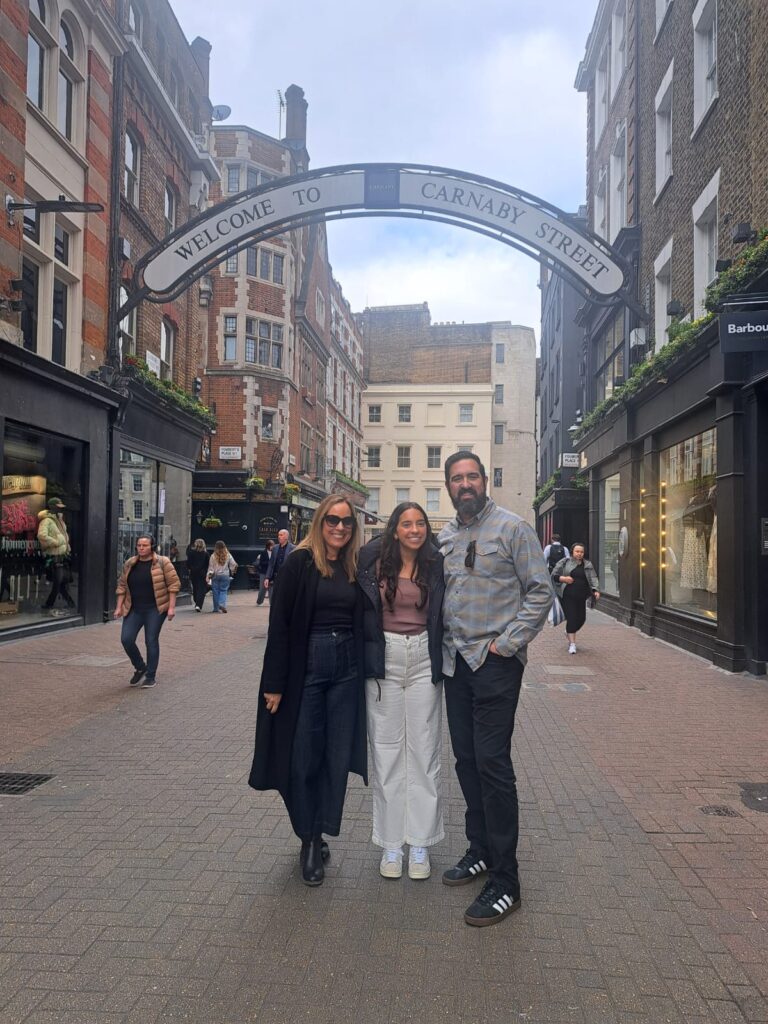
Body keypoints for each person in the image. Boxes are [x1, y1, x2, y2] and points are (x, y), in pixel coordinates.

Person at [439, 451, 553, 927]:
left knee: (492, 763)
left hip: (494, 663)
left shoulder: (512, 528)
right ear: (448, 486)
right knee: (466, 761)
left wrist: (508, 645)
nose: (465, 484)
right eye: (456, 478)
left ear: (485, 481)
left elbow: (541, 591)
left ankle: (507, 880)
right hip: (455, 664)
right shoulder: (445, 536)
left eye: (472, 476)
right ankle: (480, 849)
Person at [248, 494, 367, 887]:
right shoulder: (299, 562)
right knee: (303, 756)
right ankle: (308, 838)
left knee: (334, 757)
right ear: (319, 522)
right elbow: (279, 625)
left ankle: (318, 831)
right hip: (307, 667)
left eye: (346, 522)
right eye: (332, 520)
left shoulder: (353, 565)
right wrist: (274, 683)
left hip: (346, 667)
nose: (339, 527)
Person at [357, 502, 445, 881]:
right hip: (385, 657)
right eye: (406, 524)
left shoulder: (437, 563)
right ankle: (392, 843)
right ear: (394, 529)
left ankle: (421, 843)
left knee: (424, 752)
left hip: (425, 656)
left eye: (420, 523)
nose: (414, 529)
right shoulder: (373, 561)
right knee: (386, 752)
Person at [115, 534, 180, 689]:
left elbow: (173, 585)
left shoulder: (163, 562)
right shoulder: (130, 563)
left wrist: (171, 607)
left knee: (150, 640)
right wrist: (119, 607)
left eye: (145, 545)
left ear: (152, 546)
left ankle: (150, 675)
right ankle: (140, 666)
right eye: (139, 545)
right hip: (134, 608)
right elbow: (122, 586)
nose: (141, 548)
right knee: (126, 639)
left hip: (155, 609)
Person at [551, 543, 600, 654]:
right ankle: (572, 644)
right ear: (572, 552)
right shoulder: (565, 562)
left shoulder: (587, 564)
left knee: (581, 619)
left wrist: (595, 590)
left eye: (581, 552)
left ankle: (569, 631)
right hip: (568, 596)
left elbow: (593, 578)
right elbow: (553, 575)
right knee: (572, 619)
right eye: (577, 551)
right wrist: (563, 578)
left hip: (581, 596)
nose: (579, 554)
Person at [37, 497, 75, 610]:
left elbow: (64, 535)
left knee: (61, 582)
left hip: (62, 556)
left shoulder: (60, 520)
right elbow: (41, 536)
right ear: (52, 507)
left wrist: (67, 547)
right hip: (54, 556)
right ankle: (50, 604)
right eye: (58, 507)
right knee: (58, 581)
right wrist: (56, 542)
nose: (61, 509)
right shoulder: (46, 521)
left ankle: (70, 603)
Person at [206, 540, 237, 613]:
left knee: (215, 592)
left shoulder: (213, 556)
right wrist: (232, 571)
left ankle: (216, 608)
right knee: (223, 590)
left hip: (215, 576)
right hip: (225, 575)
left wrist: (208, 576)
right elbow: (233, 564)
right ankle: (222, 604)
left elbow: (211, 568)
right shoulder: (228, 555)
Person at [264, 528, 295, 597]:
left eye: (281, 535)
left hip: (287, 578)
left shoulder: (293, 548)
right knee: (274, 598)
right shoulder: (275, 548)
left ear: (286, 537)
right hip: (275, 578)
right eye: (278, 535)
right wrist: (267, 577)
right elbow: (271, 564)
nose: (279, 537)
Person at [186, 538, 209, 612]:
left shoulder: (191, 553)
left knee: (195, 588)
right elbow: (208, 564)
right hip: (202, 574)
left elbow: (188, 563)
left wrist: (191, 568)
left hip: (193, 573)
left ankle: (196, 601)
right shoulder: (206, 554)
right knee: (201, 589)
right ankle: (198, 604)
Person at [256, 539, 274, 605]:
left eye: (273, 546)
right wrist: (269, 563)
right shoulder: (263, 552)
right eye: (271, 546)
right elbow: (260, 563)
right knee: (262, 588)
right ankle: (259, 601)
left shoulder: (274, 552)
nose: (272, 547)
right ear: (268, 546)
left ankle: (272, 603)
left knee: (271, 589)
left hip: (272, 573)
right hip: (264, 572)